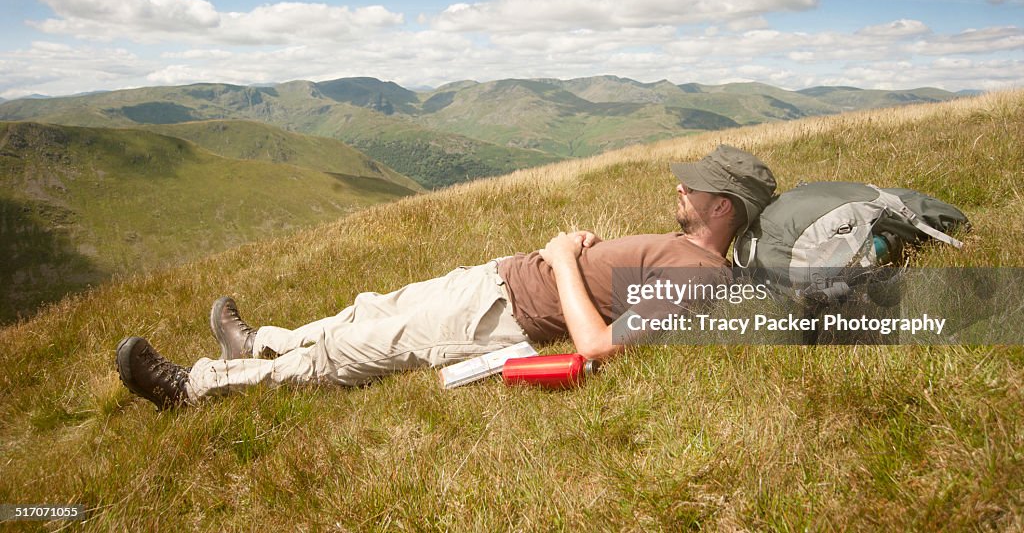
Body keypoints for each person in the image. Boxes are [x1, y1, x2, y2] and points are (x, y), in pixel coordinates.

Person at [116, 144, 776, 410]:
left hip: (497, 318)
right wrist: (581, 247)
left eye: (697, 187)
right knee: (364, 309)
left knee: (349, 353)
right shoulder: (684, 247)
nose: (681, 185)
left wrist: (566, 257)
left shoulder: (702, 280)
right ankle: (258, 341)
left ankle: (193, 387)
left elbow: (597, 345)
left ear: (723, 208)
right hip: (494, 279)